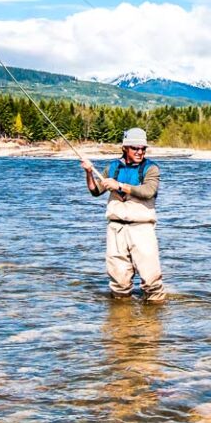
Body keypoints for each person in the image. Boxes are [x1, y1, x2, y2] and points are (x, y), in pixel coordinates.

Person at [80, 128, 167, 302]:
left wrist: (119, 186)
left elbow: (148, 191)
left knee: (151, 282)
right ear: (125, 148)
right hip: (116, 230)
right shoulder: (112, 167)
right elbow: (95, 191)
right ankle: (121, 323)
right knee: (119, 283)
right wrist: (89, 172)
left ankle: (154, 324)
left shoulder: (151, 169)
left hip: (142, 229)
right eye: (135, 148)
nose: (140, 152)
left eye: (143, 148)